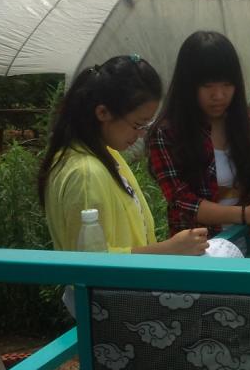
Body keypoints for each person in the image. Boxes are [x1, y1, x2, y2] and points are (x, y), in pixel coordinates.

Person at [39, 55, 207, 255]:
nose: (141, 134)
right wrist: (168, 250)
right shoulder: (85, 174)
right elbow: (90, 261)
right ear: (103, 113)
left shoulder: (105, 154)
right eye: (137, 124)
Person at [147, 31, 250, 253]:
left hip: (248, 245)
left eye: (227, 84)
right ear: (188, 85)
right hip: (202, 252)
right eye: (208, 86)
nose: (218, 95)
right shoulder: (167, 133)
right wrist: (245, 214)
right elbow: (181, 200)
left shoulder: (247, 124)